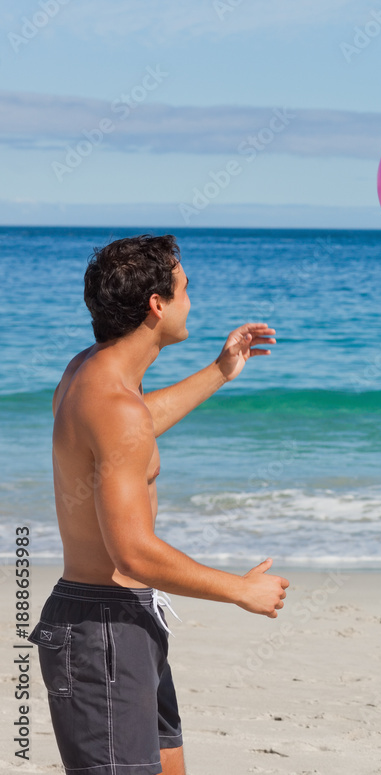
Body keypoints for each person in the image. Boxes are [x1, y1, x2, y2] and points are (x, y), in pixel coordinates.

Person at [27, 234, 290, 775]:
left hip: (121, 623)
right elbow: (133, 554)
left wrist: (221, 370)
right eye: (186, 289)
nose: (192, 301)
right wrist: (240, 590)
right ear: (157, 305)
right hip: (100, 633)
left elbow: (132, 426)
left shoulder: (90, 372)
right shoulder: (113, 401)